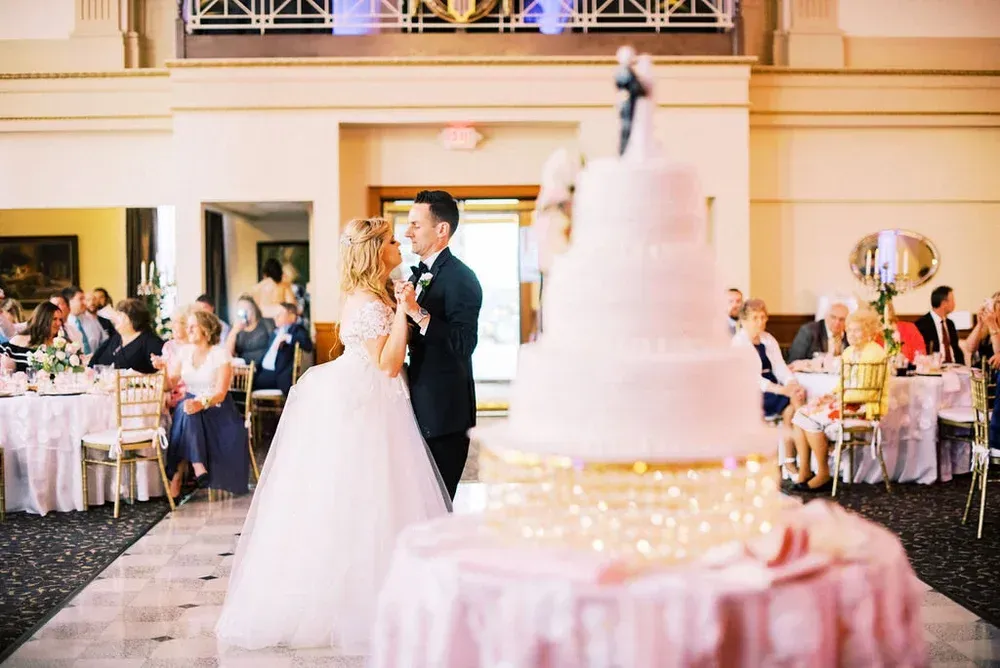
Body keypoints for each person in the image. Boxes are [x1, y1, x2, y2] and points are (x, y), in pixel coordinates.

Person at [215, 216, 450, 652]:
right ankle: (367, 602)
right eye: (392, 241)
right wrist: (402, 310)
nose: (399, 246)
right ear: (377, 251)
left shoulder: (366, 295)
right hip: (370, 404)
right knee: (373, 499)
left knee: (359, 498)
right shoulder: (375, 303)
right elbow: (388, 364)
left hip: (358, 397)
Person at [401, 190, 484, 499]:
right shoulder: (425, 273)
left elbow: (464, 344)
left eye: (415, 225)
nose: (407, 232)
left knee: (438, 503)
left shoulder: (461, 278)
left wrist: (417, 313)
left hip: (446, 415)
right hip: (422, 407)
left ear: (441, 230)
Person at [789, 308, 889, 492]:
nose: (851, 334)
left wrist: (837, 399)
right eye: (849, 330)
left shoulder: (874, 353)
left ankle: (823, 473)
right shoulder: (849, 352)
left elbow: (867, 392)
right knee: (800, 415)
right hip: (847, 401)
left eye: (857, 330)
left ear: (869, 331)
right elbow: (844, 383)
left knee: (809, 417)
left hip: (864, 407)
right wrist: (831, 395)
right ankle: (804, 471)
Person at [155, 310, 249, 499]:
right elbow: (169, 384)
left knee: (186, 410)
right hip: (191, 405)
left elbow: (221, 393)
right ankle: (198, 467)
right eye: (187, 326)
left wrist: (201, 403)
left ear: (206, 329)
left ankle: (178, 476)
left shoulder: (220, 354)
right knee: (187, 409)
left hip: (217, 409)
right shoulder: (185, 352)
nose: (187, 330)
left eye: (192, 326)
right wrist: (163, 368)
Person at [731, 298, 805, 478]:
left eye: (763, 317)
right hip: (751, 391)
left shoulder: (767, 339)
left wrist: (790, 383)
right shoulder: (738, 343)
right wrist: (780, 390)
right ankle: (802, 455)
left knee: (792, 408)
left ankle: (791, 461)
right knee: (794, 401)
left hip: (772, 384)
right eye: (755, 318)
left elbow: (780, 366)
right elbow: (751, 378)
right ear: (744, 320)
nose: (760, 322)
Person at [89, 299, 164, 374]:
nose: (115, 318)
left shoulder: (151, 342)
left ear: (132, 319)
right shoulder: (115, 338)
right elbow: (93, 363)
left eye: (119, 315)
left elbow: (162, 371)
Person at [254, 302, 313, 395]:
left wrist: (288, 337)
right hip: (262, 371)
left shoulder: (296, 330)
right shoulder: (275, 333)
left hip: (277, 376)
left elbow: (308, 345)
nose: (275, 317)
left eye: (279, 314)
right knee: (240, 379)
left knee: (246, 382)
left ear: (292, 317)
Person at [2, 302, 66, 372]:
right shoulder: (17, 342)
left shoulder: (63, 345)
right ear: (42, 320)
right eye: (54, 319)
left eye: (60, 319)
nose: (59, 323)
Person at [914, 285, 964, 364]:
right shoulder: (922, 325)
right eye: (952, 300)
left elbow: (956, 349)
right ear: (944, 303)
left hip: (955, 367)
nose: (954, 304)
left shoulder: (950, 324)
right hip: (934, 368)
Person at [225, 294, 274, 368]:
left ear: (254, 309)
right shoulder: (235, 328)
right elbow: (227, 354)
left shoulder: (266, 323)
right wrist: (234, 331)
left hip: (264, 366)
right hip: (244, 369)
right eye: (240, 309)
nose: (243, 312)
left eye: (246, 309)